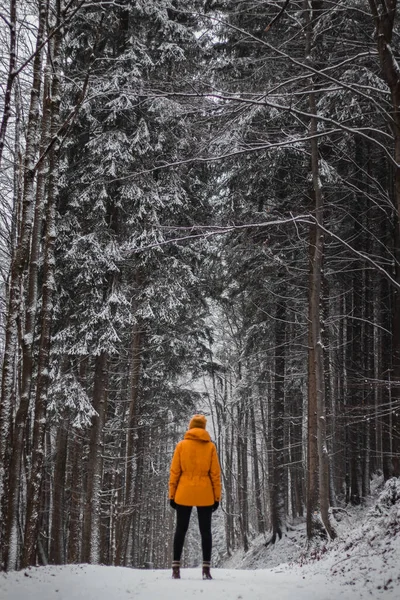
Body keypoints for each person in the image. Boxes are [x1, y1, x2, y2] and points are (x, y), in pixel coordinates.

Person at [168, 414, 221, 580]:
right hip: (205, 494)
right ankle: (206, 569)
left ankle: (176, 568)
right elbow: (215, 475)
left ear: (190, 427)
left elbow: (175, 472)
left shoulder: (181, 446)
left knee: (180, 530)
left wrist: (172, 495)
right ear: (204, 428)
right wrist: (217, 497)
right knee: (205, 531)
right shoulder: (210, 447)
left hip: (183, 493)